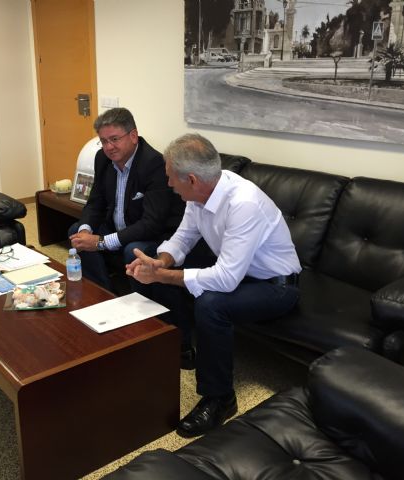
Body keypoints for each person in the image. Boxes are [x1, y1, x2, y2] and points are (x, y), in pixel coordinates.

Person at [126, 133, 301, 438]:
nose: (169, 183)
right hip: (241, 272)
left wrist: (163, 276)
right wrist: (160, 263)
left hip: (276, 286)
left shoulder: (243, 203)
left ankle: (220, 399)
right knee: (153, 257)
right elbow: (184, 237)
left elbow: (225, 279)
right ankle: (179, 347)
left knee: (211, 304)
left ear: (192, 179)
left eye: (171, 177)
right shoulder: (201, 192)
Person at [69, 107, 183, 295]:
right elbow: (95, 202)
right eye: (103, 141)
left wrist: (101, 242)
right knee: (77, 231)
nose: (108, 147)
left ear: (133, 136)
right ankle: (103, 293)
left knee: (134, 249)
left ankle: (141, 304)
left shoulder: (154, 164)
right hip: (117, 228)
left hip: (151, 235)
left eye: (114, 139)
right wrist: (85, 231)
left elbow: (151, 224)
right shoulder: (102, 158)